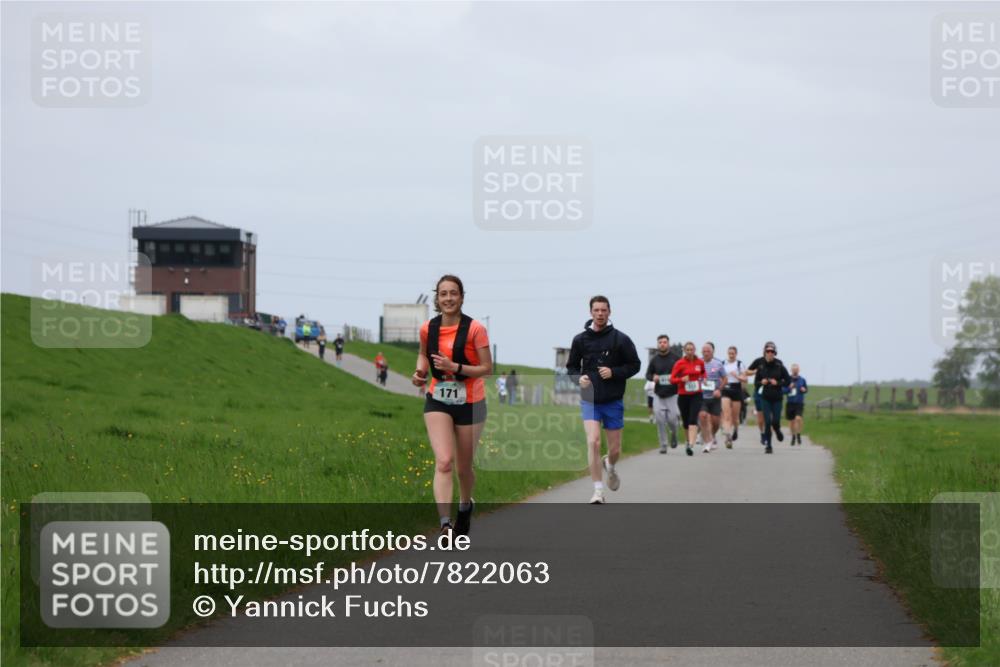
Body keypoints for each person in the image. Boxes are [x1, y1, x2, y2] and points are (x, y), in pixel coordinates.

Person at [412, 274, 492, 536]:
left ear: (461, 297)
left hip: (471, 401)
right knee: (444, 461)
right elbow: (424, 354)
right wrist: (420, 372)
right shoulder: (428, 328)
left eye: (453, 293)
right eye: (443, 293)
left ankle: (465, 506)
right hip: (438, 398)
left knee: (463, 468)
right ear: (437, 298)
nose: (448, 298)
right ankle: (445, 524)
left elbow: (486, 368)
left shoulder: (475, 329)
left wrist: (455, 367)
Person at [566, 295, 641, 504]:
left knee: (615, 449)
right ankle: (598, 490)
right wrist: (577, 378)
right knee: (593, 441)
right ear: (590, 312)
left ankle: (610, 463)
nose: (600, 314)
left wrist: (614, 372)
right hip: (589, 399)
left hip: (613, 400)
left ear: (610, 312)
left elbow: (635, 365)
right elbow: (571, 367)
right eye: (596, 310)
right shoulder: (580, 339)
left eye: (603, 310)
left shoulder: (621, 339)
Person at [745, 342, 790, 454]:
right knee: (768, 422)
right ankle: (768, 446)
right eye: (768, 351)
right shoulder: (760, 366)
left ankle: (778, 430)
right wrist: (762, 382)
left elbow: (788, 381)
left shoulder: (779, 365)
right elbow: (756, 382)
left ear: (775, 353)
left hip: (777, 398)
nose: (770, 353)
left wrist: (777, 383)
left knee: (775, 421)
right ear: (765, 352)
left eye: (772, 352)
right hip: (765, 397)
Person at [645, 334, 681, 453]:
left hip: (673, 393)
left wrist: (675, 377)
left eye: (664, 342)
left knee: (672, 419)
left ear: (668, 344)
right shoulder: (654, 360)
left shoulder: (675, 358)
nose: (662, 344)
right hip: (658, 394)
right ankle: (663, 445)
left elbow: (682, 373)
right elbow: (648, 375)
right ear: (657, 344)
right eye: (660, 342)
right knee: (659, 420)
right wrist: (653, 377)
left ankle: (674, 433)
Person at [670, 342, 706, 457]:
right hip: (683, 395)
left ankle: (691, 444)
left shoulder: (700, 362)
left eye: (692, 349)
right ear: (685, 351)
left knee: (692, 419)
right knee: (685, 421)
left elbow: (703, 372)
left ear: (695, 350)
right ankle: (687, 441)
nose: (690, 352)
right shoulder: (679, 363)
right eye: (688, 350)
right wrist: (681, 379)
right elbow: (672, 379)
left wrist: (704, 379)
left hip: (696, 394)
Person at [698, 342, 727, 453]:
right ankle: (707, 442)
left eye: (708, 351)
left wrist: (719, 390)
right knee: (703, 416)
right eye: (704, 351)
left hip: (714, 396)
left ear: (712, 352)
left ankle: (711, 435)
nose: (706, 353)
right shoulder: (697, 363)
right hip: (701, 396)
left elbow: (725, 379)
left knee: (715, 422)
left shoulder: (718, 364)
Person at [720, 346, 746, 448]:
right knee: (726, 415)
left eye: (733, 353)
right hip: (725, 389)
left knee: (735, 418)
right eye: (729, 353)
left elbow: (745, 379)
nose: (731, 355)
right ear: (727, 353)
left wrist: (737, 376)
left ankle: (735, 429)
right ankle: (728, 436)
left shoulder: (740, 364)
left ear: (736, 354)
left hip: (736, 389)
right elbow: (719, 376)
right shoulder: (722, 364)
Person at [784, 364, 808, 445]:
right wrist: (789, 388)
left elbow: (806, 389)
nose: (795, 371)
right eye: (793, 369)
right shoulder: (787, 380)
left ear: (799, 370)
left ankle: (798, 434)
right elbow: (783, 390)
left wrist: (804, 389)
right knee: (791, 421)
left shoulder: (802, 380)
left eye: (796, 369)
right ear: (791, 370)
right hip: (790, 403)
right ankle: (793, 436)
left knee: (798, 418)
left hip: (799, 403)